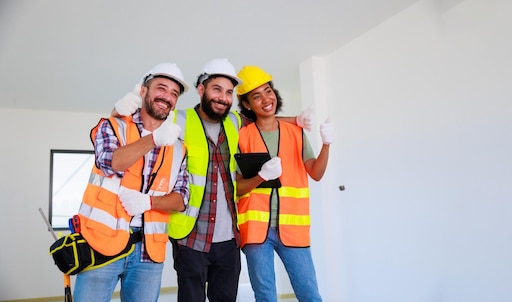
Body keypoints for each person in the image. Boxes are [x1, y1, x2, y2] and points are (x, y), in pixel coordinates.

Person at [112, 58, 312, 302]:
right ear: (201, 90)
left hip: (228, 239)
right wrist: (117, 110)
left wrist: (296, 121)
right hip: (190, 236)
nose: (223, 97)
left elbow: (265, 118)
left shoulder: (235, 121)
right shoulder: (178, 119)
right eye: (217, 89)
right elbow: (142, 120)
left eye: (229, 92)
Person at [74, 62, 190, 302]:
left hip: (148, 252)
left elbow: (181, 199)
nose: (167, 97)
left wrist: (149, 202)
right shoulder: (112, 126)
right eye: (161, 88)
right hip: (101, 243)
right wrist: (154, 140)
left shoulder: (178, 147)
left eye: (174, 93)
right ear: (143, 91)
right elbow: (111, 162)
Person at [234, 65, 334, 302]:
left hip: (293, 229)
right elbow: (236, 187)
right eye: (256, 96)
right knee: (265, 296)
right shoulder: (242, 136)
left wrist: (327, 144)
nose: (265, 99)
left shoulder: (295, 132)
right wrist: (261, 177)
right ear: (247, 105)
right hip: (256, 232)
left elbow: (316, 174)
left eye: (268, 91)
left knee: (310, 294)